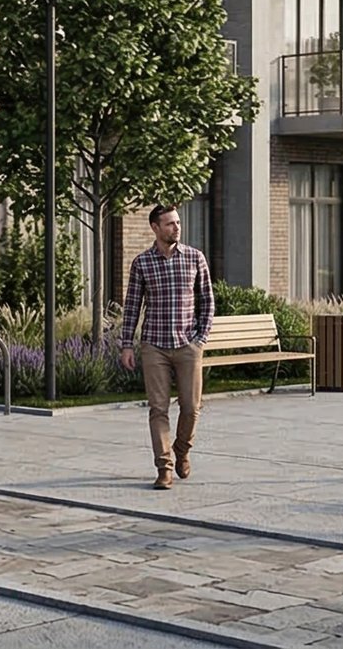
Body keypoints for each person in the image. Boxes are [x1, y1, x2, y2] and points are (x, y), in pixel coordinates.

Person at [114, 204, 215, 491]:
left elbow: (207, 302)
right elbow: (132, 306)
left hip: (187, 345)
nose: (176, 227)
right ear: (155, 228)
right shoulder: (142, 263)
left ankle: (182, 449)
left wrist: (200, 339)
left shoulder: (195, 259)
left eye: (178, 222)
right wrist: (127, 345)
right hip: (154, 346)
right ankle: (164, 468)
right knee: (158, 409)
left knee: (191, 407)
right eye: (169, 223)